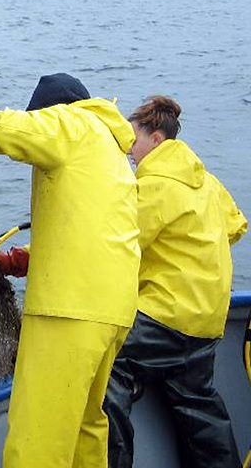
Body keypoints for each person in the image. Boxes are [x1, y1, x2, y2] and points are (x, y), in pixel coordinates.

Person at [0, 73, 141, 468]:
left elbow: (7, 127)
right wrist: (19, 261)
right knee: (85, 426)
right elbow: (90, 231)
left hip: (70, 310)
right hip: (111, 314)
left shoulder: (74, 123)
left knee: (38, 437)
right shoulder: (110, 149)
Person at [103, 95, 248, 468]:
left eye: (133, 139)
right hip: (208, 318)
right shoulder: (207, 181)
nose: (129, 149)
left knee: (106, 361)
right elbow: (235, 226)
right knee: (198, 406)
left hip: (166, 316)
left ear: (156, 139)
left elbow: (116, 242)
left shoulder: (154, 186)